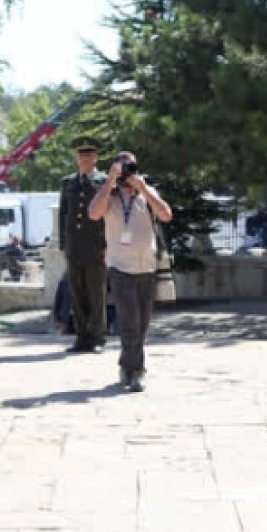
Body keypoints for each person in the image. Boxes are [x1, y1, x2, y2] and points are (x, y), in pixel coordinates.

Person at [87, 151, 172, 392]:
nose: (127, 172)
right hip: (120, 267)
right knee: (129, 320)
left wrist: (143, 188)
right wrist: (110, 180)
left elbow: (166, 214)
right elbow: (93, 213)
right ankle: (137, 372)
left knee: (143, 322)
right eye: (122, 167)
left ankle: (126, 364)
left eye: (130, 167)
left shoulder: (145, 193)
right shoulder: (109, 195)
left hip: (146, 265)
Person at [59, 137, 108, 353]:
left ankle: (97, 338)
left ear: (95, 157)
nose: (85, 158)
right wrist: (63, 244)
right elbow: (63, 215)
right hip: (74, 246)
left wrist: (107, 244)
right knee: (77, 293)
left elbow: (108, 215)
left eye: (89, 154)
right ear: (77, 158)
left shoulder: (104, 181)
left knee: (96, 293)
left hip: (96, 246)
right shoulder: (68, 182)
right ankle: (82, 338)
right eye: (81, 155)